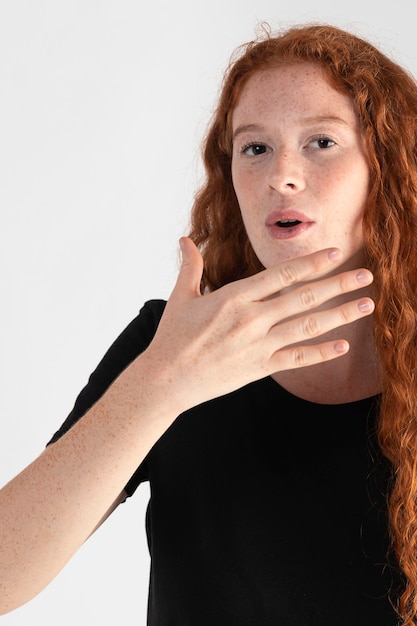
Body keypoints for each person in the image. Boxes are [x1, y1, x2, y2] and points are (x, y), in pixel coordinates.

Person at [1, 20, 417, 626]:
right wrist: (163, 383)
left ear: (391, 166)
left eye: (321, 143)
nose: (281, 176)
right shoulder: (171, 340)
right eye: (254, 148)